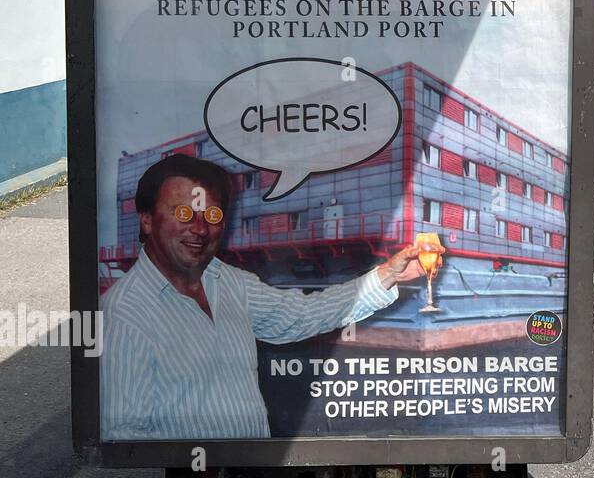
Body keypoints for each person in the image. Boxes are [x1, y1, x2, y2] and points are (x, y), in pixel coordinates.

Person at [101, 154, 430, 440]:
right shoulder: (124, 312)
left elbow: (301, 315)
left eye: (212, 216)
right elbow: (124, 435)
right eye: (183, 214)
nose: (200, 229)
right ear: (146, 220)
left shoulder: (228, 281)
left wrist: (388, 273)